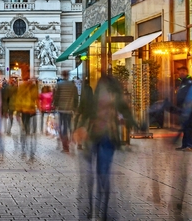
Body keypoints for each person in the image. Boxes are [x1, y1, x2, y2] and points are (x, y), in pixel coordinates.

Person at [81, 74, 135, 221]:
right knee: (94, 176)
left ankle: (101, 210)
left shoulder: (115, 99)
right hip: (94, 137)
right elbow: (84, 113)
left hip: (107, 138)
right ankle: (95, 209)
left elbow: (128, 115)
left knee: (102, 174)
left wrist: (132, 123)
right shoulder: (94, 98)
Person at [174, 66, 192, 151]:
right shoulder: (182, 82)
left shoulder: (190, 82)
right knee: (184, 127)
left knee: (188, 127)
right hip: (182, 109)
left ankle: (190, 145)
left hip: (188, 109)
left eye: (183, 71)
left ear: (186, 72)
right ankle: (184, 145)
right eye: (180, 71)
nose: (181, 73)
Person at [53, 70, 78, 153]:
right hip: (70, 109)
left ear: (62, 75)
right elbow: (76, 97)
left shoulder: (59, 84)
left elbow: (56, 96)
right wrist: (75, 107)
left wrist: (55, 105)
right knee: (69, 125)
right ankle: (72, 140)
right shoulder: (73, 85)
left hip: (61, 109)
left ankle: (65, 147)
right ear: (68, 75)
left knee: (63, 127)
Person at [14, 77, 39, 160]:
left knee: (32, 133)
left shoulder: (34, 88)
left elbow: (36, 98)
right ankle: (24, 150)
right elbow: (18, 99)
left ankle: (31, 152)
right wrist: (18, 112)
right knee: (24, 132)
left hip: (32, 112)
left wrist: (36, 85)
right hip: (25, 112)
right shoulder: (22, 88)